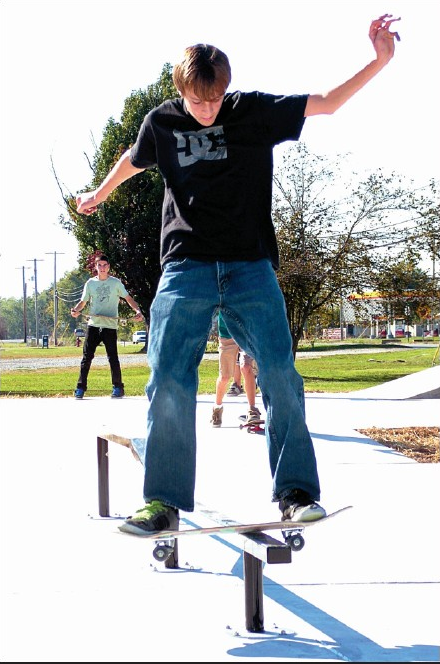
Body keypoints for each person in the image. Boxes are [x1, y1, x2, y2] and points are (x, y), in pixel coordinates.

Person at [75, 14, 401, 534]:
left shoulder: (251, 112)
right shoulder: (162, 120)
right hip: (185, 266)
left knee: (278, 373)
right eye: (196, 101)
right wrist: (98, 195)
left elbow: (327, 103)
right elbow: (133, 159)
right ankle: (162, 502)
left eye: (214, 100)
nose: (206, 111)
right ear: (180, 90)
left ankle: (295, 493)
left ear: (226, 89)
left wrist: (378, 61)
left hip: (250, 266)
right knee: (169, 380)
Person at [70, 254, 143, 399]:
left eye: (105, 265)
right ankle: (80, 388)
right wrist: (76, 310)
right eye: (99, 265)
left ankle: (118, 387)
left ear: (108, 267)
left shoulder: (115, 283)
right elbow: (82, 302)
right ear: (95, 267)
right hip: (94, 325)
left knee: (113, 358)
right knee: (87, 357)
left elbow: (128, 298)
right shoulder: (90, 283)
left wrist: (137, 310)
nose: (102, 268)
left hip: (110, 326)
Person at [211, 311, 260, 427]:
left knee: (247, 367)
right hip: (227, 333)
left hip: (247, 332)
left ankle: (252, 410)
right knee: (225, 376)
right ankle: (217, 408)